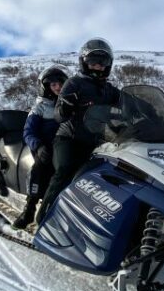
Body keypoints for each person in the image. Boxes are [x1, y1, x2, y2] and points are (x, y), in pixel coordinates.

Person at [35, 37, 121, 224]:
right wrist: (65, 106)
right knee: (65, 170)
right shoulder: (74, 83)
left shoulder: (109, 89)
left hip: (96, 141)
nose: (98, 66)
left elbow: (126, 103)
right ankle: (44, 216)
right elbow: (58, 116)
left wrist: (145, 109)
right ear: (84, 62)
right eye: (93, 62)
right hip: (69, 139)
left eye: (102, 62)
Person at [12, 64, 69, 229]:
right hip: (47, 148)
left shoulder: (69, 104)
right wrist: (38, 146)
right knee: (39, 167)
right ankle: (29, 209)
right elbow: (28, 132)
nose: (58, 87)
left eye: (61, 83)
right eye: (54, 84)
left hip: (66, 146)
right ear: (46, 87)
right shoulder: (40, 107)